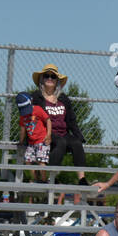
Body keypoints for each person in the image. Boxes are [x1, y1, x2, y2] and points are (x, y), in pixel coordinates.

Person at [31, 65, 89, 195]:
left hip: (63, 132)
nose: (50, 78)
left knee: (76, 143)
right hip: (46, 133)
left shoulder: (63, 98)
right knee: (61, 143)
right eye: (47, 76)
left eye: (53, 76)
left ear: (57, 81)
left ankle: (82, 179)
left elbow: (71, 120)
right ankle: (52, 176)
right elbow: (32, 117)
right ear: (41, 79)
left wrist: (79, 136)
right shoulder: (36, 97)